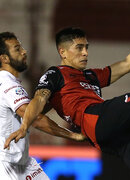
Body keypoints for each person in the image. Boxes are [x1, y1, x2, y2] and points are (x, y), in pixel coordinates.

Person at [5, 5, 130, 180]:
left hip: (112, 131)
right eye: (79, 48)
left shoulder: (92, 75)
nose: (85, 52)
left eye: (86, 47)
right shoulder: (55, 73)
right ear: (62, 52)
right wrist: (24, 128)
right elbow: (38, 102)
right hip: (96, 119)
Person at [0, 32, 85, 180]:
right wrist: (73, 135)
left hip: (22, 162)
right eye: (17, 49)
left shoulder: (8, 83)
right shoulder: (7, 84)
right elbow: (36, 118)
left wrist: (55, 98)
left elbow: (32, 113)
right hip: (8, 166)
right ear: (4, 58)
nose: (23, 52)